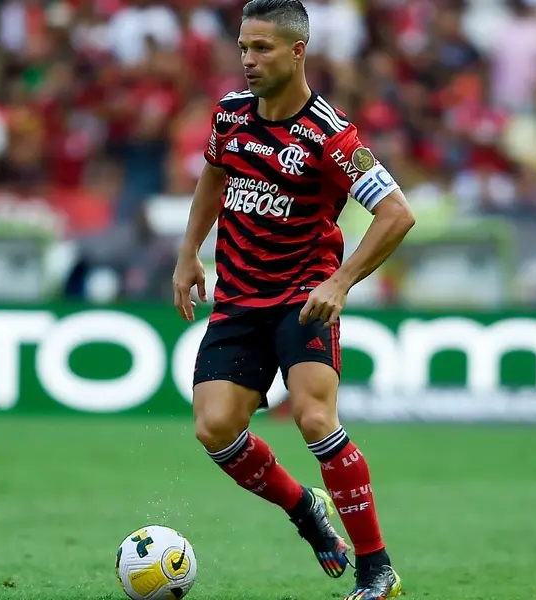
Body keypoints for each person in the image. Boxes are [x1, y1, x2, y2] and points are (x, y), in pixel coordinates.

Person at [170, 1, 415, 599]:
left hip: (303, 299)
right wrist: (187, 255)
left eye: (263, 49)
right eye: (244, 47)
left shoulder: (331, 136)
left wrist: (340, 281)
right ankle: (305, 508)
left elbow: (396, 213)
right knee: (214, 428)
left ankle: (377, 568)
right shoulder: (230, 116)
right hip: (237, 299)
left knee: (313, 418)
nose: (248, 61)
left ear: (298, 51)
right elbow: (212, 177)